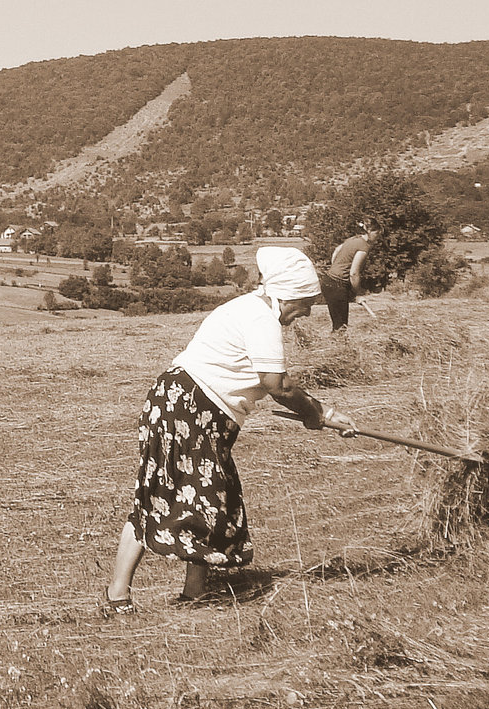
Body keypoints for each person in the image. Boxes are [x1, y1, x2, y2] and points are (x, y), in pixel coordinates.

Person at [103, 246, 356, 614]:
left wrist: (323, 415)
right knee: (164, 496)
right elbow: (278, 386)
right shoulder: (260, 319)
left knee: (207, 496)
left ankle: (194, 593)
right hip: (188, 409)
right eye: (305, 302)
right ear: (285, 296)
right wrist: (320, 413)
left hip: (186, 406)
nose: (308, 311)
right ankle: (117, 595)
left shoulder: (250, 309)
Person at [319, 223, 379, 331]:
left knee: (338, 325)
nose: (378, 237)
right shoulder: (364, 247)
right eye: (377, 233)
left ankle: (337, 344)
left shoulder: (353, 239)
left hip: (328, 281)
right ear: (369, 231)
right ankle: (339, 346)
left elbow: (337, 250)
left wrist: (336, 267)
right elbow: (354, 273)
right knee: (341, 327)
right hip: (337, 285)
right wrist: (358, 293)